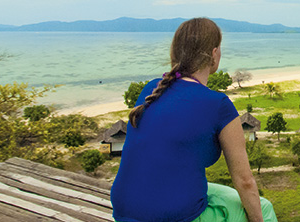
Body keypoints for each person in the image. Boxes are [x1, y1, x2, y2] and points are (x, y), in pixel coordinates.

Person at [111, 18, 276, 222]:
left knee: (211, 192)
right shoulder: (218, 104)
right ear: (214, 55)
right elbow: (245, 182)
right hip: (172, 217)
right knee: (264, 208)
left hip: (123, 211)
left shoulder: (151, 89)